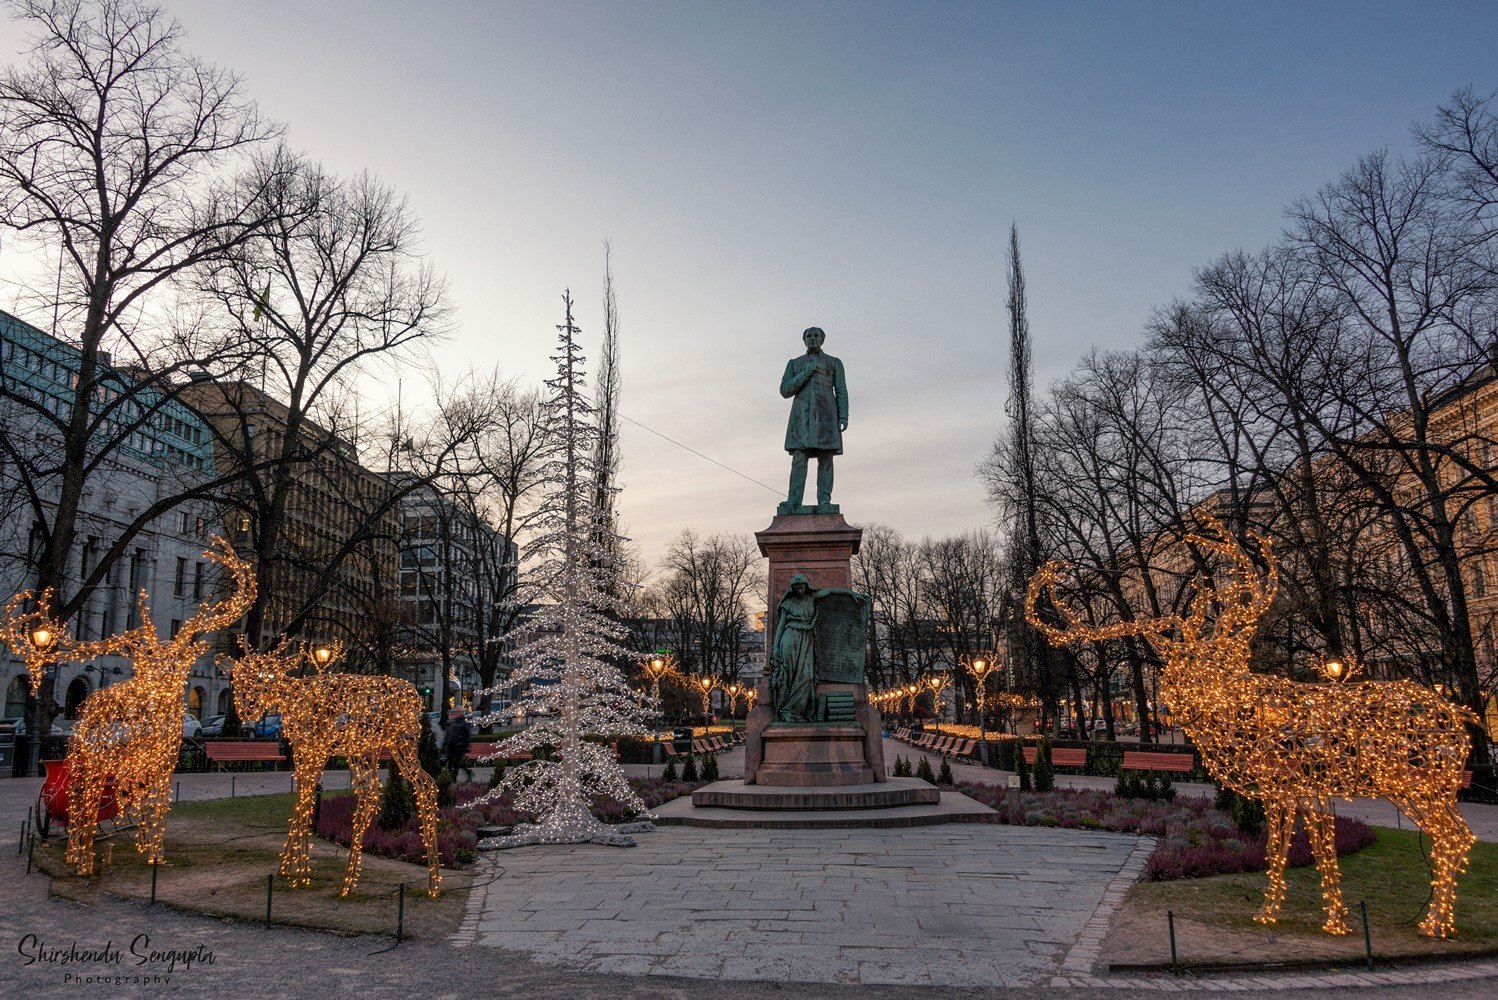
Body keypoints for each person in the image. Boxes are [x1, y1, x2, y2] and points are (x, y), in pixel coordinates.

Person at [768, 573, 866, 722]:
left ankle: (798, 711)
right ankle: (787, 712)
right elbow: (781, 626)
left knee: (807, 676)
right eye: (796, 587)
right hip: (790, 638)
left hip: (807, 639)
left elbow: (830, 591)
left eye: (802, 587)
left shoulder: (811, 598)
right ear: (792, 588)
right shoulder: (787, 604)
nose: (799, 590)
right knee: (789, 675)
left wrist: (850, 593)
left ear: (806, 587)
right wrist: (775, 647)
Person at [778, 326, 848, 514]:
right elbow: (785, 390)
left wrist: (843, 415)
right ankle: (793, 500)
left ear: (823, 339)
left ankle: (824, 499)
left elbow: (841, 390)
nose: (812, 339)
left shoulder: (834, 362)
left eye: (816, 336)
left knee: (826, 458)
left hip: (826, 415)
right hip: (801, 417)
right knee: (799, 458)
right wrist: (806, 373)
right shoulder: (794, 363)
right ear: (804, 340)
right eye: (809, 336)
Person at [442, 706, 473, 782]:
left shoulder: (463, 723)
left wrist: (465, 745)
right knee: (451, 761)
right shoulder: (452, 722)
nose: (456, 713)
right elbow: (449, 734)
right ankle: (467, 773)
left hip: (459, 746)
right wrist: (446, 743)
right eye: (456, 712)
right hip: (451, 745)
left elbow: (467, 735)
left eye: (458, 712)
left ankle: (453, 778)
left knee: (455, 761)